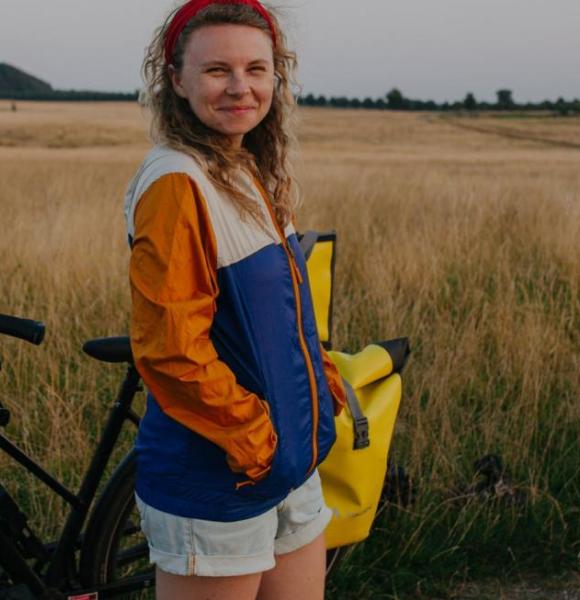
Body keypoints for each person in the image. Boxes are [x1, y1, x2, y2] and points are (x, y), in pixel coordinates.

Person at [123, 1, 348, 598]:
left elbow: (284, 313)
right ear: (176, 80)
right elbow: (171, 350)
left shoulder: (246, 169)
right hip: (220, 475)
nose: (240, 87)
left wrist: (319, 388)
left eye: (256, 68)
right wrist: (258, 443)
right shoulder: (178, 181)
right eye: (217, 70)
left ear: (278, 75)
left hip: (288, 464)